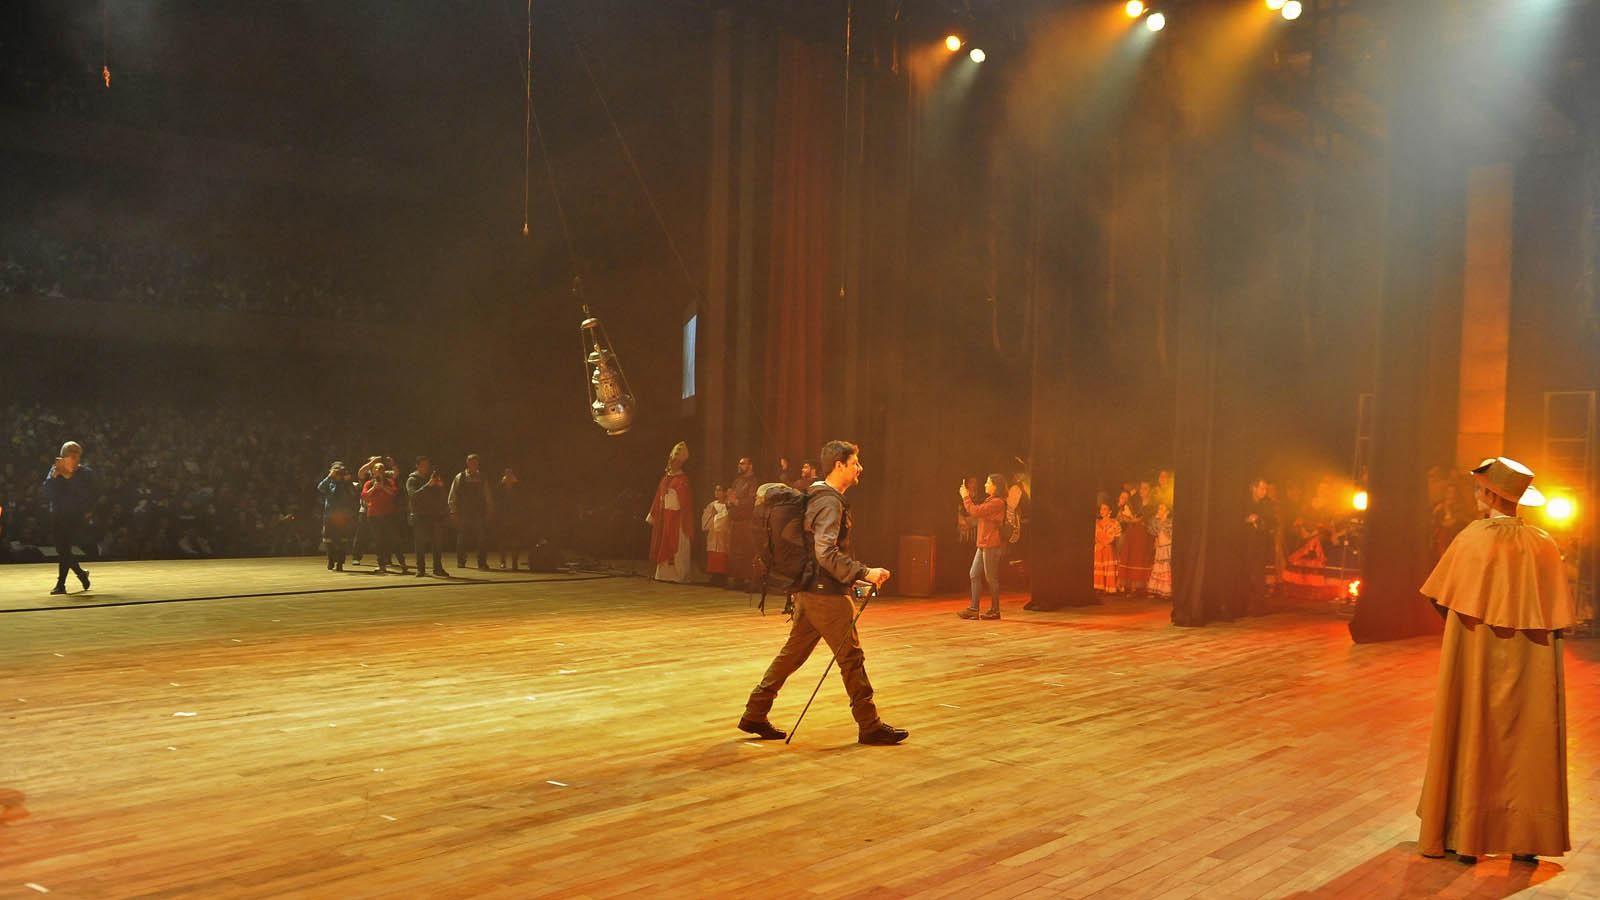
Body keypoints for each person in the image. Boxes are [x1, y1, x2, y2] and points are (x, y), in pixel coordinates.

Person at [1416, 457, 1577, 864]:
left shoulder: (1473, 538)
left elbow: (1441, 596)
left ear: (1489, 495)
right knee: (1530, 731)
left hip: (1477, 653)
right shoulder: (1544, 544)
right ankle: (1527, 837)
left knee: (1473, 726)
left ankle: (1466, 833)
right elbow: (1556, 612)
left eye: (1479, 489)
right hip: (1532, 660)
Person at [738, 440, 906, 746]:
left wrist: (852, 579)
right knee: (851, 659)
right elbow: (825, 553)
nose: (860, 468)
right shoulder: (829, 503)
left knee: (792, 655)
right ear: (839, 465)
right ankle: (870, 726)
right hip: (825, 596)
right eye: (855, 463)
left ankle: (755, 713)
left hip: (809, 592)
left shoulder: (816, 494)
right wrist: (864, 572)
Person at [42, 440, 95, 595]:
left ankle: (61, 584)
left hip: (75, 515)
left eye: (76, 454)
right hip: (57, 514)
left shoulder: (85, 472)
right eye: (70, 453)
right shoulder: (55, 469)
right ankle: (81, 574)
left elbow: (86, 494)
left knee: (64, 548)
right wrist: (54, 476)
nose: (73, 456)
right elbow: (46, 491)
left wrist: (68, 476)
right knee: (62, 549)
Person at [958, 474, 1007, 620]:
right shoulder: (990, 501)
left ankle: (995, 610)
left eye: (988, 482)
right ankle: (974, 609)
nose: (985, 484)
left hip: (991, 544)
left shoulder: (997, 502)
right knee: (974, 574)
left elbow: (975, 511)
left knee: (991, 578)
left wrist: (965, 497)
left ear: (995, 486)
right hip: (983, 543)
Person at [646, 441, 694, 583]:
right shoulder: (665, 479)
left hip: (678, 518)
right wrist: (653, 514)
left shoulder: (683, 480)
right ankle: (663, 575)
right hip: (664, 517)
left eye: (675, 462)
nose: (672, 464)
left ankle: (679, 575)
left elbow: (685, 501)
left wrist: (673, 494)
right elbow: (658, 497)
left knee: (678, 546)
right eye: (671, 461)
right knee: (663, 543)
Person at [449, 453, 494, 570]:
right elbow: (453, 495)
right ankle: (461, 561)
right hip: (464, 512)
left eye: (475, 462)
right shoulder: (460, 477)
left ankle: (482, 562)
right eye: (471, 462)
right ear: (467, 463)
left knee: (481, 538)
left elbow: (487, 495)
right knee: (462, 538)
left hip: (479, 512)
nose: (473, 464)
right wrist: (453, 511)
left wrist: (489, 509)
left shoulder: (482, 477)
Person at [406, 456, 449, 577]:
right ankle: (420, 569)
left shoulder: (432, 478)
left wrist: (440, 486)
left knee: (437, 543)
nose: (426, 467)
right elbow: (413, 495)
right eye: (423, 465)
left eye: (427, 465)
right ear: (417, 466)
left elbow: (442, 496)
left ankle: (438, 568)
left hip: (434, 514)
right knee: (420, 543)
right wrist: (428, 485)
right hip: (419, 515)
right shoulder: (412, 479)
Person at [316, 460, 360, 571]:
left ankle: (340, 562)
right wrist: (330, 476)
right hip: (330, 514)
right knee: (328, 540)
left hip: (343, 515)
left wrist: (348, 482)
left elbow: (354, 493)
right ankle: (331, 559)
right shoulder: (330, 482)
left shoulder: (346, 483)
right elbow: (320, 488)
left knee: (342, 540)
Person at [361, 461, 401, 574]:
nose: (378, 470)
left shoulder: (389, 481)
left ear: (384, 471)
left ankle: (401, 562)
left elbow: (393, 493)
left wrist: (382, 486)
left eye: (381, 468)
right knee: (378, 540)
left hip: (388, 514)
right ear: (373, 471)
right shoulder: (369, 483)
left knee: (393, 538)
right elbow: (364, 496)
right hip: (373, 515)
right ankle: (381, 565)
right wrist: (374, 487)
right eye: (376, 468)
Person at [725, 456, 758, 591]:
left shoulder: (753, 482)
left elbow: (751, 501)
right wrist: (729, 502)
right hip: (735, 521)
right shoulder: (737, 481)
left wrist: (736, 502)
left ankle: (749, 580)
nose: (739, 466)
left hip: (746, 522)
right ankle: (737, 579)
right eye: (739, 463)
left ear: (750, 466)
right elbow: (730, 498)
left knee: (747, 551)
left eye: (743, 463)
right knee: (735, 551)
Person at [495, 467, 530, 570]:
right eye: (507, 473)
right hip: (503, 517)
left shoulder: (518, 487)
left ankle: (514, 561)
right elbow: (497, 501)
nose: (509, 475)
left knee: (516, 540)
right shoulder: (500, 486)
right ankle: (503, 561)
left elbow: (523, 502)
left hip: (515, 517)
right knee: (503, 540)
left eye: (510, 473)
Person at [701, 483, 731, 588]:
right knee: (713, 554)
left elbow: (725, 519)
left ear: (725, 492)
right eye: (716, 490)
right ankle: (714, 576)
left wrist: (716, 516)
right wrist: (712, 516)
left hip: (723, 535)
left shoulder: (728, 505)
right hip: (713, 534)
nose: (717, 492)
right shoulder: (712, 504)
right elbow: (706, 519)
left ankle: (722, 577)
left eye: (719, 490)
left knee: (722, 554)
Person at [1093, 502, 1120, 594]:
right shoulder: (1097, 522)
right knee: (1099, 566)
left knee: (1108, 562)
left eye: (1105, 509)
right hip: (1099, 548)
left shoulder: (1114, 522)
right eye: (1101, 509)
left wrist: (1104, 544)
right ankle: (1099, 586)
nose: (1102, 511)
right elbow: (1096, 536)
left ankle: (1108, 587)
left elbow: (1114, 536)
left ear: (1110, 511)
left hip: (1108, 547)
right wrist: (1100, 544)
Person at [1148, 503, 1173, 599]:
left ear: (1167, 512)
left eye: (1161, 509)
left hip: (1167, 548)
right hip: (1160, 548)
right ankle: (1159, 590)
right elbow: (1152, 531)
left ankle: (1167, 591)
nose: (1159, 510)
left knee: (1166, 568)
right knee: (1159, 568)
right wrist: (1156, 519)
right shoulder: (1157, 522)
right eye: (1159, 508)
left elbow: (1170, 535)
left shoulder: (1169, 523)